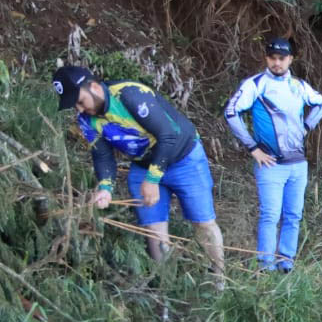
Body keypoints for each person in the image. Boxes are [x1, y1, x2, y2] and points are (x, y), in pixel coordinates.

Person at [54, 65, 226, 283]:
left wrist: (152, 179)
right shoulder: (87, 120)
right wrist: (105, 187)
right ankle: (167, 286)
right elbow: (102, 155)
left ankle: (219, 279)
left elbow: (168, 134)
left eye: (80, 101)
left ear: (95, 87)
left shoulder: (129, 94)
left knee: (203, 222)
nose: (79, 109)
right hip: (143, 165)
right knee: (153, 230)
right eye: (74, 106)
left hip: (184, 158)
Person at [224, 36, 322, 272]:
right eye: (273, 58)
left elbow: (321, 103)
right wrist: (253, 148)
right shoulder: (256, 84)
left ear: (290, 59)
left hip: (298, 163)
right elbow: (231, 112)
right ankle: (265, 265)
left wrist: (307, 126)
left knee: (293, 215)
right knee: (270, 215)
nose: (277, 63)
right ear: (266, 58)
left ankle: (286, 262)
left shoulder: (300, 86)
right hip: (270, 164)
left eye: (282, 58)